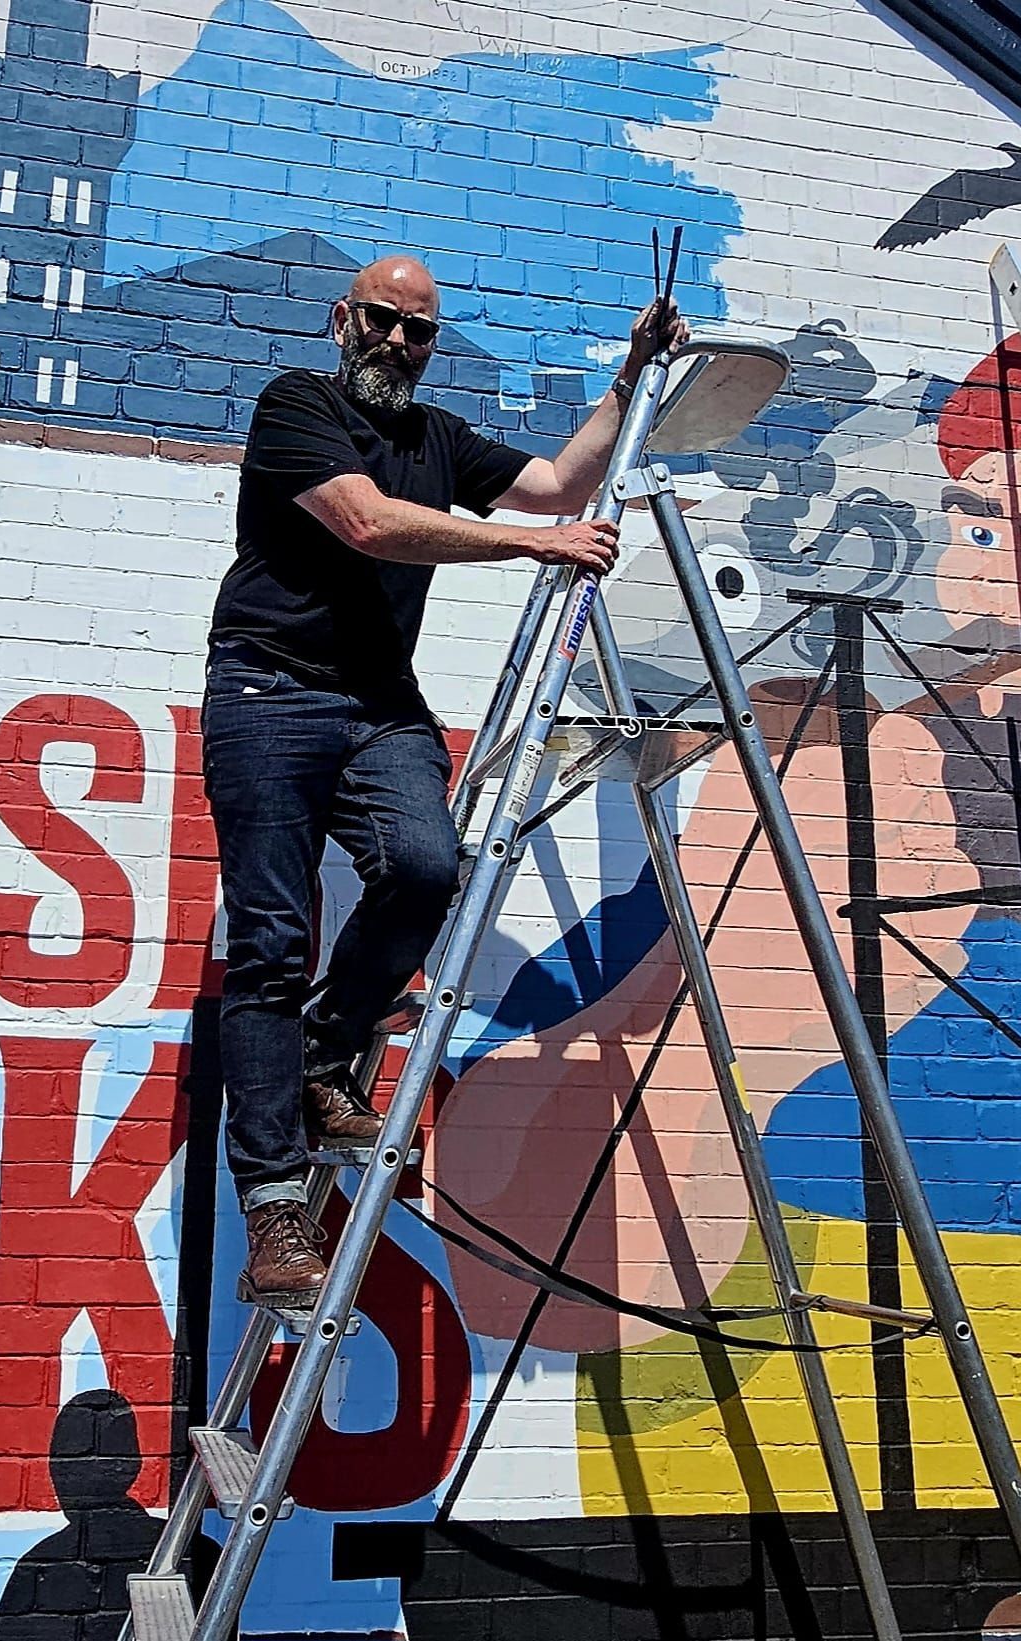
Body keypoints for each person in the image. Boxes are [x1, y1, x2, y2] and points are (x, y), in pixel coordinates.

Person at [203, 252, 688, 1306]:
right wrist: (530, 546)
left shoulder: (439, 438)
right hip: (267, 695)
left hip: (378, 705)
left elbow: (562, 484)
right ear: (342, 320)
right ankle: (276, 1207)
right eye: (381, 320)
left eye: (417, 330)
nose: (396, 341)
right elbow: (368, 522)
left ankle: (327, 1063)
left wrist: (626, 379)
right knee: (272, 947)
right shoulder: (299, 406)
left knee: (427, 868)